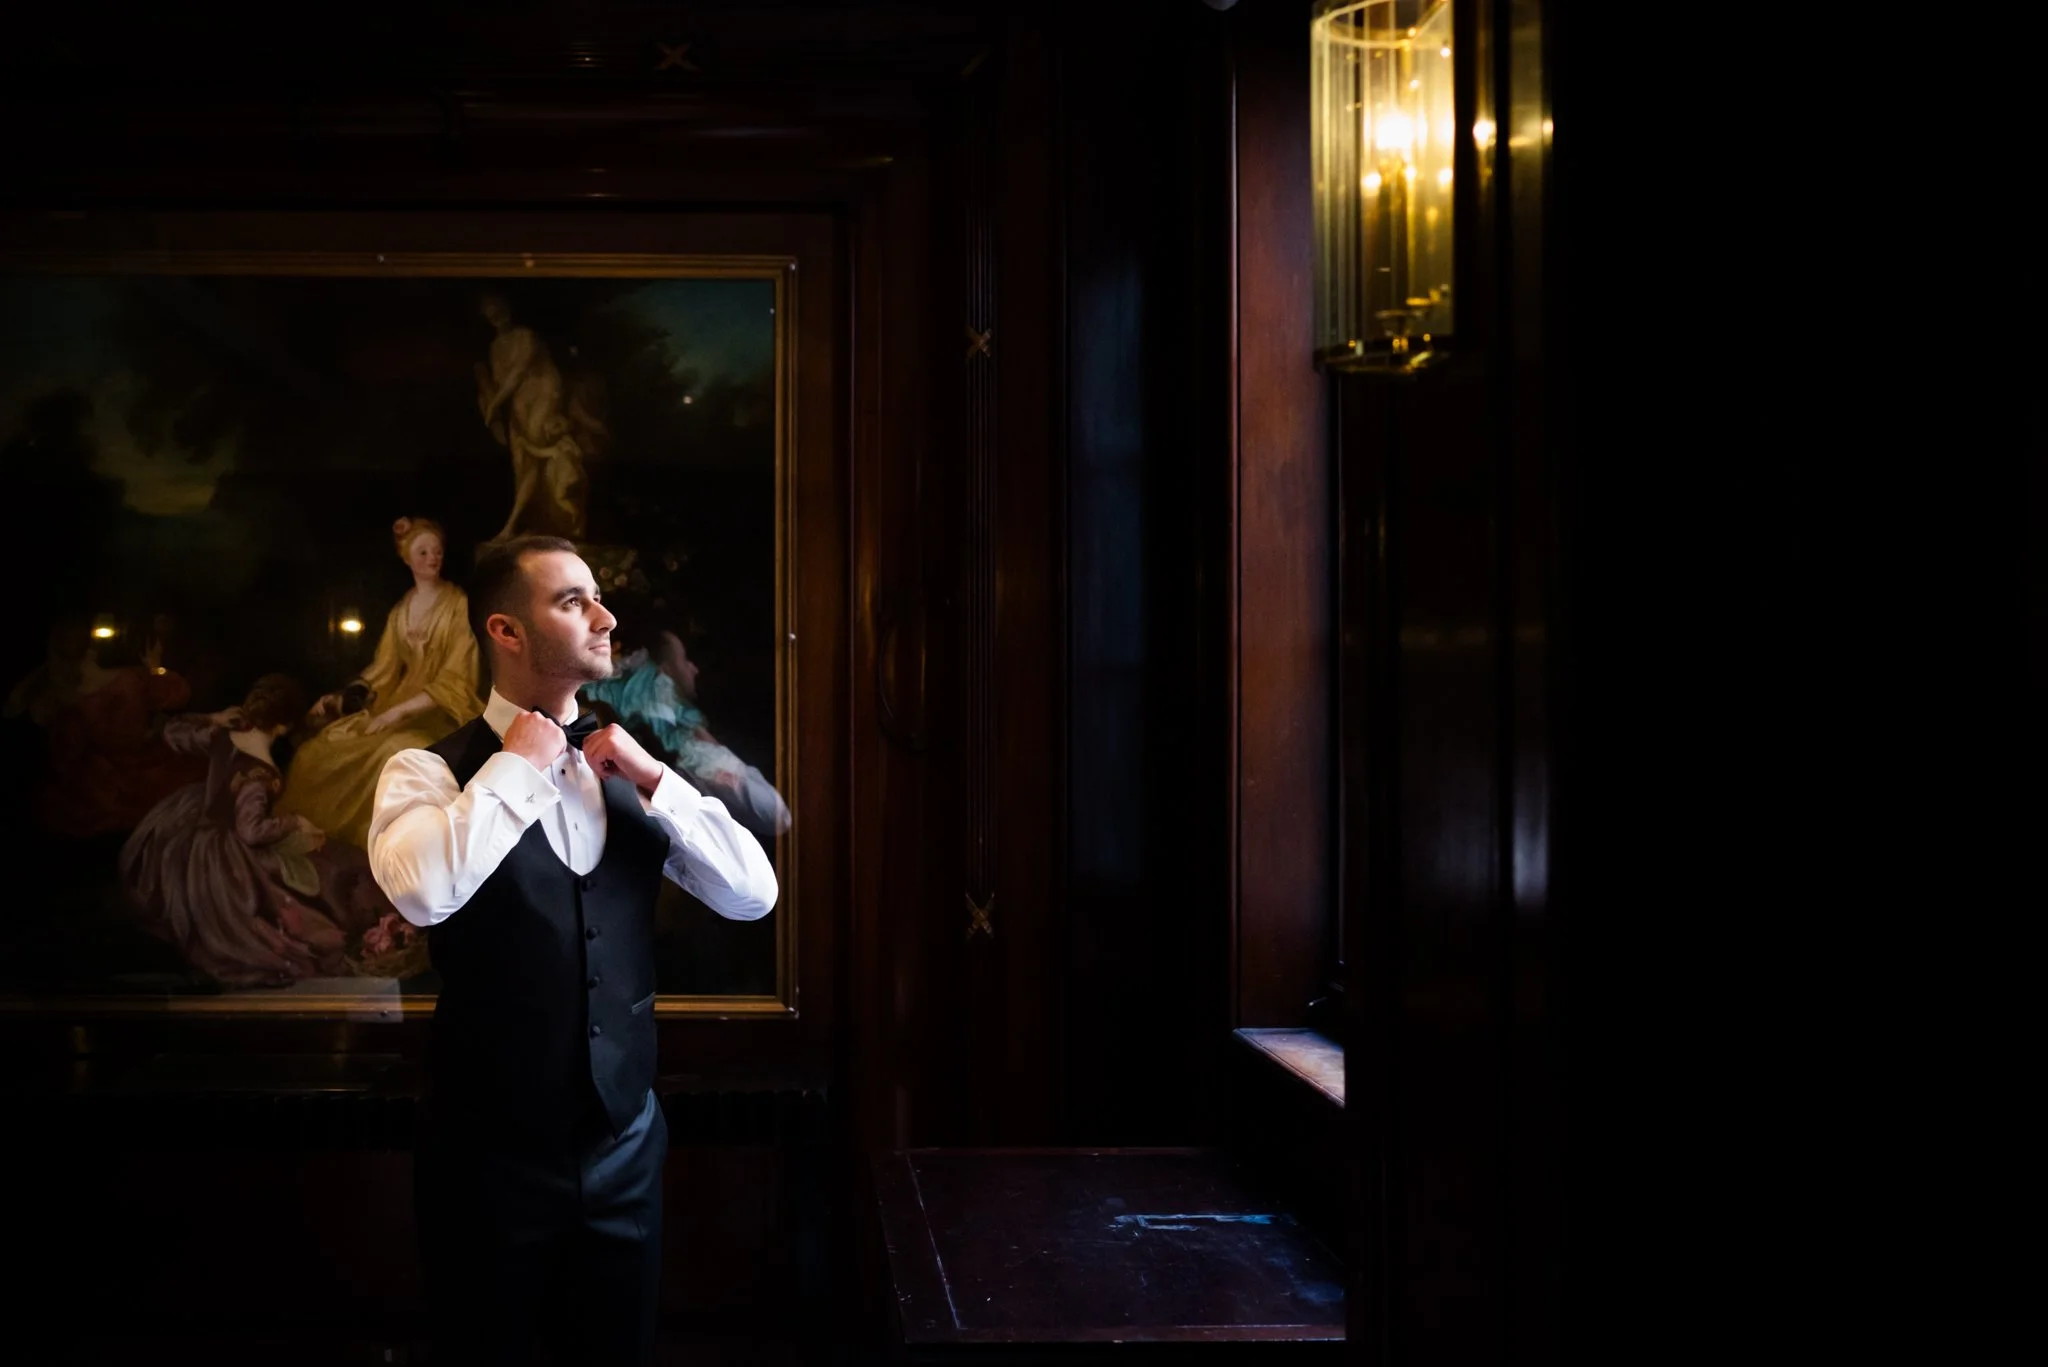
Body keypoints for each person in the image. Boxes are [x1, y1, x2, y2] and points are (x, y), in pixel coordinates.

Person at [366, 534, 776, 1366]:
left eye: (597, 597)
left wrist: (659, 781)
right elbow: (421, 890)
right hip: (485, 1163)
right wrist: (516, 767)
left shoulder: (628, 770)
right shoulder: (428, 773)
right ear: (506, 632)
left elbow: (751, 892)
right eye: (572, 599)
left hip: (625, 1151)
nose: (605, 615)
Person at [118, 674, 394, 988]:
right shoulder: (261, 772)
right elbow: (250, 831)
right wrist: (294, 823)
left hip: (196, 830)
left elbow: (172, 731)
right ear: (284, 725)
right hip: (229, 857)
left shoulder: (223, 734)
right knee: (320, 884)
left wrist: (213, 718)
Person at [278, 517, 481, 850]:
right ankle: (319, 836)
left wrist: (397, 714)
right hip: (395, 702)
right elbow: (383, 669)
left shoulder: (458, 605)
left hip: (443, 711)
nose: (433, 558)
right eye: (423, 551)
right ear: (407, 558)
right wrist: (342, 696)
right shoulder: (401, 610)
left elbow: (457, 678)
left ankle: (379, 842)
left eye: (438, 551)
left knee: (395, 750)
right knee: (320, 749)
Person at [581, 627, 792, 844]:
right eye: (684, 660)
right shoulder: (684, 744)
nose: (694, 669)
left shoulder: (686, 733)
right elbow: (777, 816)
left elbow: (778, 817)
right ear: (663, 673)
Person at [475, 292, 591, 541]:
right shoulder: (495, 348)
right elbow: (499, 382)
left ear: (507, 307)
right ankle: (525, 524)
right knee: (521, 466)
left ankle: (519, 525)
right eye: (489, 310)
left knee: (533, 452)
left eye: (498, 306)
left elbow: (517, 374)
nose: (495, 314)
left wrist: (494, 404)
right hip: (517, 405)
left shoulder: (526, 336)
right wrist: (487, 398)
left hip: (543, 396)